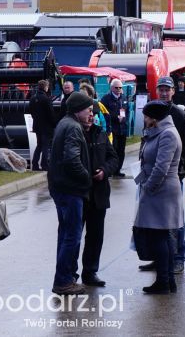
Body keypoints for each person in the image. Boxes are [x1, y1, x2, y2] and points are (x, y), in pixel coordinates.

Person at [139, 77, 185, 275]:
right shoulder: (151, 111)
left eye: (167, 90)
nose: (163, 92)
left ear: (172, 92)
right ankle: (159, 258)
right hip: (150, 174)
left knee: (174, 220)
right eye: (160, 89)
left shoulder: (179, 115)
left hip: (172, 175)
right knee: (156, 221)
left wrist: (183, 168)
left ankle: (178, 258)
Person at [48, 91, 95, 296]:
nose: (91, 113)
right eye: (88, 110)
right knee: (72, 236)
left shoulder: (64, 123)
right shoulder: (74, 127)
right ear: (78, 110)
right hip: (70, 189)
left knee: (65, 234)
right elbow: (72, 159)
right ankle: (64, 280)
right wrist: (87, 178)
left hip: (60, 187)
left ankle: (65, 277)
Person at [134, 100, 183, 294]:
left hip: (161, 191)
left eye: (146, 116)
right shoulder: (160, 132)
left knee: (159, 236)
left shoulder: (168, 134)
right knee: (161, 236)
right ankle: (167, 280)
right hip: (159, 190)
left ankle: (164, 281)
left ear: (154, 118)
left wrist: (148, 187)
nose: (144, 119)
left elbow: (161, 167)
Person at [80, 97, 119, 288]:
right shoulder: (75, 133)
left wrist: (104, 170)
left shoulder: (101, 133)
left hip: (100, 193)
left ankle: (90, 271)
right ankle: (70, 273)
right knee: (72, 236)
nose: (92, 117)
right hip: (80, 194)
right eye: (89, 113)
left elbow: (113, 159)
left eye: (94, 114)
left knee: (95, 236)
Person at [101, 79, 129, 178]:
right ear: (112, 88)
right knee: (113, 150)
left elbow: (127, 111)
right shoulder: (106, 99)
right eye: (116, 87)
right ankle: (110, 170)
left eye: (120, 87)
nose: (118, 89)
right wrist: (115, 117)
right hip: (112, 129)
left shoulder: (124, 98)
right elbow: (103, 113)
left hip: (123, 129)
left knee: (121, 151)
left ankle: (118, 170)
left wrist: (124, 118)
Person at [29, 80, 57, 171]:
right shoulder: (46, 99)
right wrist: (54, 124)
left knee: (39, 145)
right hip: (46, 127)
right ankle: (44, 165)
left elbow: (31, 112)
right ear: (46, 87)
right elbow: (51, 114)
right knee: (46, 146)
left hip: (37, 126)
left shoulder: (33, 98)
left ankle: (35, 164)